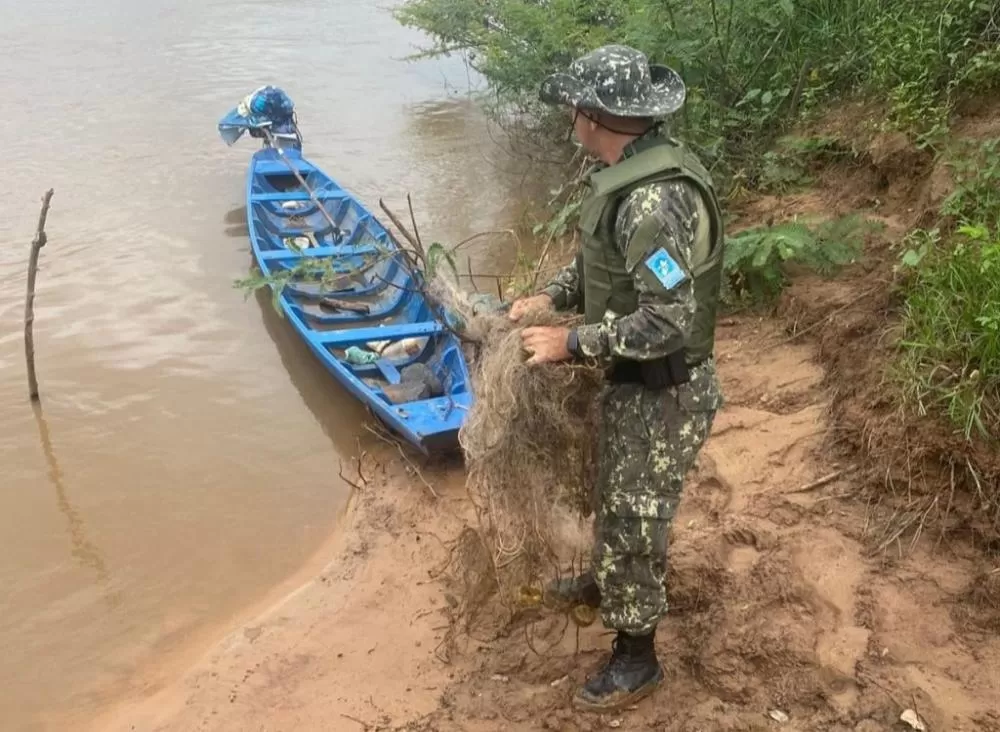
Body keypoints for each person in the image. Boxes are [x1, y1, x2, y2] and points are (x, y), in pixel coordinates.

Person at [508, 44, 726, 712]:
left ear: (591, 115)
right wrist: (549, 297)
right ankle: (608, 583)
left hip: (664, 387)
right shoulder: (624, 173)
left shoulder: (654, 202)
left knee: (635, 515)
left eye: (574, 108)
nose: (569, 118)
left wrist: (571, 341)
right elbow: (599, 265)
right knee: (614, 490)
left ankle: (637, 659)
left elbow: (668, 319)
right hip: (634, 380)